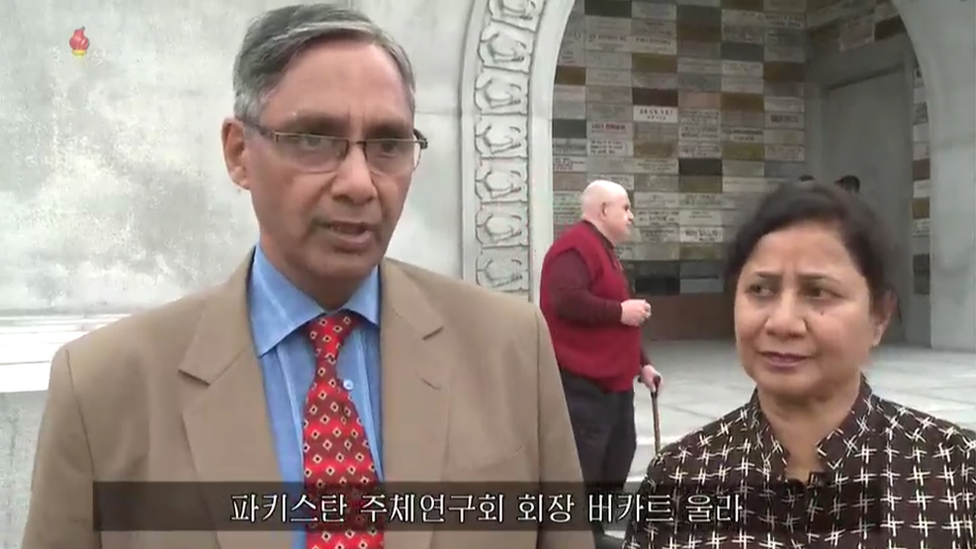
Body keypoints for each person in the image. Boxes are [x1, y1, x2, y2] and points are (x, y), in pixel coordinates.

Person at [22, 5, 593, 549]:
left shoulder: (510, 348)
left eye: (388, 144)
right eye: (315, 139)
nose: (359, 183)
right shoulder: (104, 387)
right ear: (239, 152)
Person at [623, 181, 975, 548]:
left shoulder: (957, 471)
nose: (782, 322)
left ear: (880, 315)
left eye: (817, 292)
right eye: (761, 290)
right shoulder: (679, 475)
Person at [539, 180, 663, 546]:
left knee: (618, 455)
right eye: (625, 208)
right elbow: (566, 301)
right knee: (585, 464)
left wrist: (643, 364)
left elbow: (620, 318)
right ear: (602, 210)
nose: (631, 216)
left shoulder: (602, 249)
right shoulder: (573, 248)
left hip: (615, 383)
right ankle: (574, 535)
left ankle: (593, 530)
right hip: (582, 382)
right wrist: (619, 311)